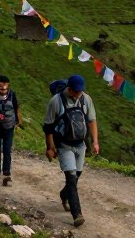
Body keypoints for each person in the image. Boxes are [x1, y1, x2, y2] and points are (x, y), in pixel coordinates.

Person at [43, 75, 99, 228]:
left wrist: (95, 142)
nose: (78, 94)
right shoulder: (56, 101)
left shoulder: (86, 99)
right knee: (71, 178)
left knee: (77, 176)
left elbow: (92, 120)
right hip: (64, 145)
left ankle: (64, 194)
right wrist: (50, 148)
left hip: (81, 144)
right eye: (76, 91)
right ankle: (77, 214)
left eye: (80, 91)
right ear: (70, 88)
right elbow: (48, 128)